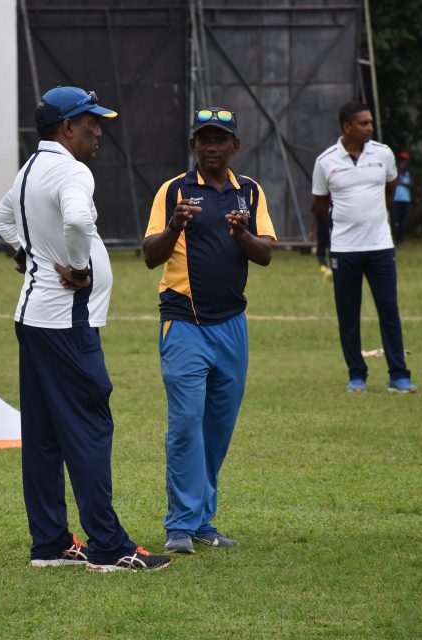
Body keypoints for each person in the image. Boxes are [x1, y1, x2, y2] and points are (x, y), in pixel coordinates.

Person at [0, 86, 173, 571]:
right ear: (67, 127)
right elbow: (74, 220)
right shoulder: (72, 171)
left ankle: (50, 543)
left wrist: (26, 253)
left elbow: (1, 217)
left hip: (33, 320)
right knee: (90, 427)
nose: (98, 132)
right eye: (91, 122)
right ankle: (109, 547)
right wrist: (79, 268)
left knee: (44, 436)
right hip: (66, 324)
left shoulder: (31, 168)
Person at [142, 107, 276, 554]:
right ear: (193, 145)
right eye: (204, 139)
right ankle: (180, 526)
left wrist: (241, 235)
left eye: (220, 139)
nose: (212, 147)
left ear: (235, 146)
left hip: (232, 326)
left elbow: (265, 254)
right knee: (185, 424)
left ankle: (202, 523)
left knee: (217, 429)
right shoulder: (173, 191)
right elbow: (150, 255)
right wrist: (176, 225)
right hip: (183, 324)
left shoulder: (249, 193)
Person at [311, 102, 417, 394]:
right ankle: (356, 375)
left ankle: (399, 375)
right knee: (348, 315)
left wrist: (376, 217)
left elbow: (391, 187)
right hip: (344, 250)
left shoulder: (383, 153)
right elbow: (320, 203)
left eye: (370, 122)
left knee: (389, 310)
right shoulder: (325, 161)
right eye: (363, 123)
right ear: (347, 127)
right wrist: (346, 222)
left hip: (381, 247)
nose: (370, 127)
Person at [391, 151, 413, 245]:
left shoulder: (409, 171)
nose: (402, 161)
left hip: (405, 199)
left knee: (402, 220)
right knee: (394, 219)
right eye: (401, 159)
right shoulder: (395, 170)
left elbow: (411, 184)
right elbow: (392, 182)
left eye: (404, 159)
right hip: (395, 198)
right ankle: (393, 237)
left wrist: (400, 183)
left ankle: (400, 240)